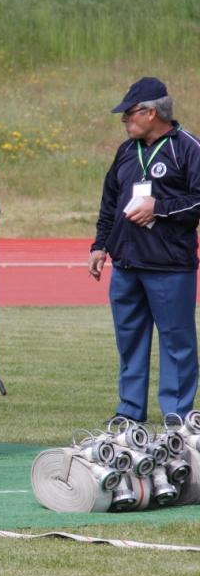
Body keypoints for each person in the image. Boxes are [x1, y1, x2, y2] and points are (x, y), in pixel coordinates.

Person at [89, 77, 200, 424]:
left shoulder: (188, 149)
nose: (124, 121)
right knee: (130, 341)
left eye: (129, 114)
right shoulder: (125, 151)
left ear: (151, 112)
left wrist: (159, 207)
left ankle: (176, 416)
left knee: (176, 344)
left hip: (169, 266)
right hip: (126, 265)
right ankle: (129, 411)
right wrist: (100, 245)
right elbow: (110, 202)